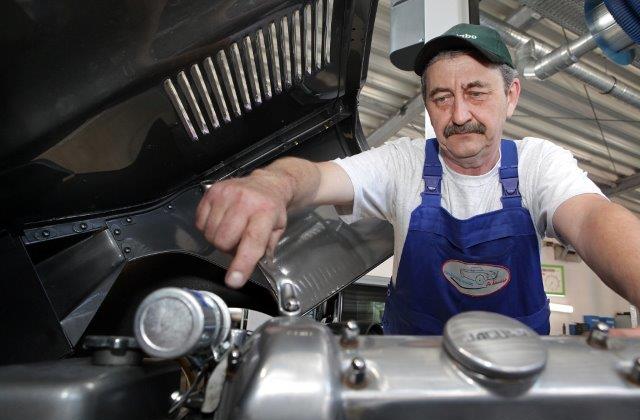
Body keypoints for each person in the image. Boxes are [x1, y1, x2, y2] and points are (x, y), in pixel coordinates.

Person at [195, 23, 640, 335]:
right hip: (412, 376)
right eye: (441, 98)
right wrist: (273, 185)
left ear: (511, 96)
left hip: (516, 384)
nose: (459, 115)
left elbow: (592, 219)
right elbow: (316, 178)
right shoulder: (404, 164)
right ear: (427, 105)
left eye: (476, 93)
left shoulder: (537, 164)